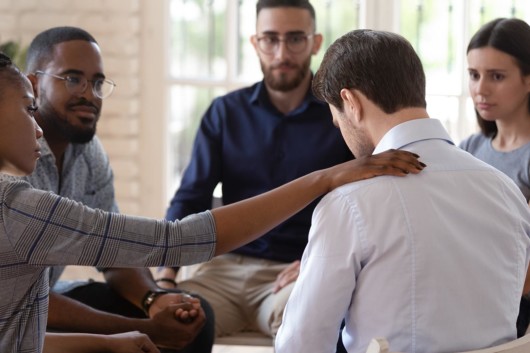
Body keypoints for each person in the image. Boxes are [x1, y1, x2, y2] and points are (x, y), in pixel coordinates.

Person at [0, 52, 426, 353]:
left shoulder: (43, 188)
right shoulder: (19, 208)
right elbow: (177, 240)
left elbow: (23, 336)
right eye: (26, 109)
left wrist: (126, 334)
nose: (36, 128)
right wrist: (324, 179)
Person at [274, 29, 530, 353]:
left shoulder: (350, 204)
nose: (341, 132)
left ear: (350, 103)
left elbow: (301, 344)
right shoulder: (507, 192)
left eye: (337, 120)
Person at [0, 26, 214, 353]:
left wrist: (153, 299)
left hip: (50, 296)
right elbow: (21, 298)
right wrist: (140, 328)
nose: (89, 93)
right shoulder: (12, 170)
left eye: (98, 83)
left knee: (193, 320)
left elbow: (113, 250)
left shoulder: (89, 153)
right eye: (73, 79)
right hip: (22, 313)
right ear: (33, 84)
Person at [159, 0, 353, 340]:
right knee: (171, 323)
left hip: (297, 271)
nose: (281, 53)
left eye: (295, 39)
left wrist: (320, 263)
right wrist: (165, 276)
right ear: (255, 43)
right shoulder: (224, 114)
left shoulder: (341, 118)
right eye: (270, 39)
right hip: (222, 270)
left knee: (313, 324)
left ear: (315, 42)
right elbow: (190, 199)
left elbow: (364, 204)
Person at [457, 18, 530, 337]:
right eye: (474, 75)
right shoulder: (469, 148)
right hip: (464, 287)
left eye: (496, 76)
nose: (480, 89)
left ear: (528, 79)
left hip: (506, 305)